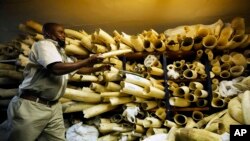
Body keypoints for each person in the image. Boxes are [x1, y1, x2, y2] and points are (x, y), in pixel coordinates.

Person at [0, 23, 110, 141]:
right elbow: (56, 68)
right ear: (48, 34)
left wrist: (98, 68)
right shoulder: (44, 45)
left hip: (53, 106)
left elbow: (77, 68)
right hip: (33, 106)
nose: (64, 36)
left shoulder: (59, 52)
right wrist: (88, 60)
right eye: (60, 32)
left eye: (64, 33)